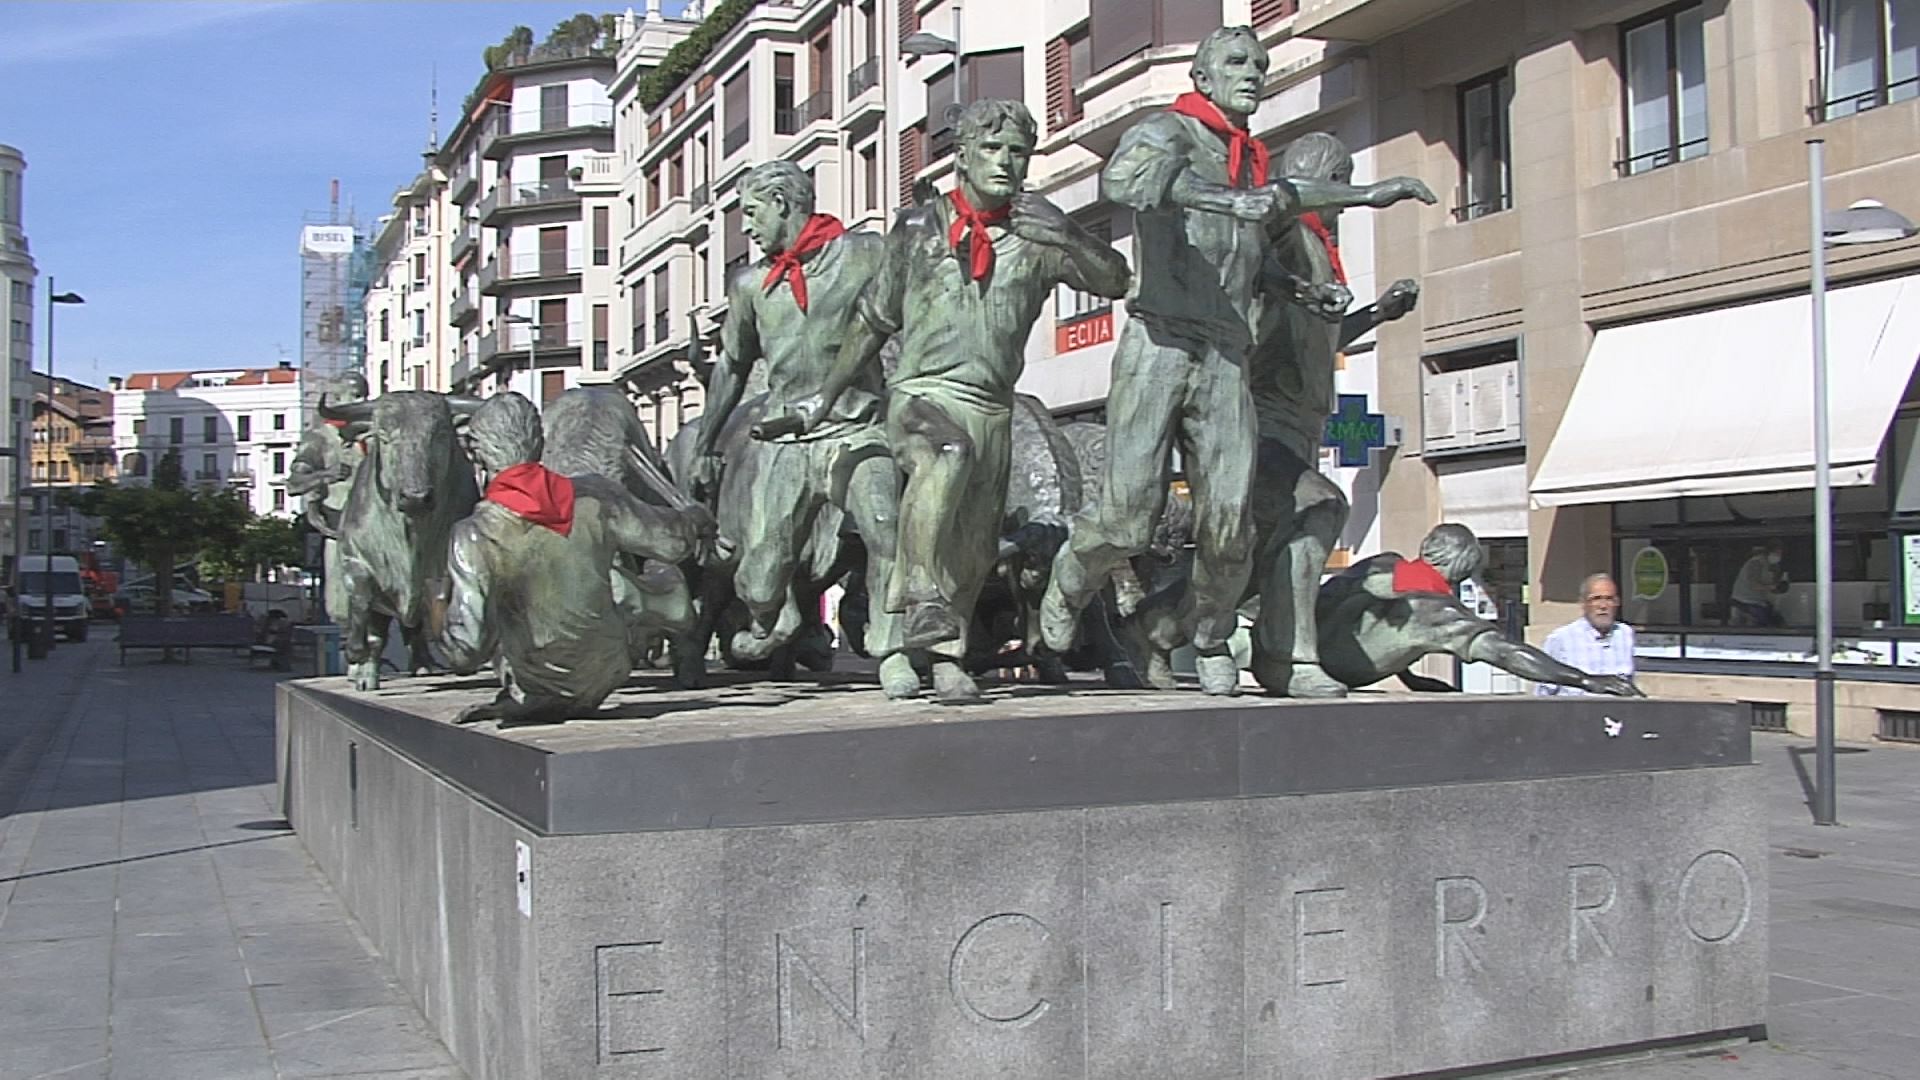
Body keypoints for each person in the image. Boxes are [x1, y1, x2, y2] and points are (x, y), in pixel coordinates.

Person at [1040, 23, 1436, 695]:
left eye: (1259, 63)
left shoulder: (1253, 158)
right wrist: (1226, 198)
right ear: (1202, 76)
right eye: (1236, 62)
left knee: (1229, 525)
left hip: (1225, 353)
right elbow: (1124, 180)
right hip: (1160, 341)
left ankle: (1213, 635)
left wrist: (1366, 197)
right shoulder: (1167, 132)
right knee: (1128, 516)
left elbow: (1282, 203)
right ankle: (1069, 581)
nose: (1253, 71)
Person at [760, 98, 1131, 702]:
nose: (1007, 162)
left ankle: (943, 652)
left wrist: (1068, 231)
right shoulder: (916, 230)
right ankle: (910, 619)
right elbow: (873, 322)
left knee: (974, 543)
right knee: (946, 455)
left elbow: (1115, 280)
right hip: (921, 396)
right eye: (993, 149)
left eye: (1018, 152)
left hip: (994, 405)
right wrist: (825, 400)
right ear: (961, 156)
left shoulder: (1039, 240)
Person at [688, 161, 917, 697]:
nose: (746, 227)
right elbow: (731, 366)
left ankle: (894, 652)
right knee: (762, 572)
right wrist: (705, 444)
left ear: (783, 203)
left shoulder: (863, 254)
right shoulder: (750, 285)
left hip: (858, 430)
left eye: (752, 212)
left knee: (885, 528)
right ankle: (772, 620)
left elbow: (914, 315)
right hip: (785, 438)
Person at [438, 393, 719, 726]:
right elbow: (672, 544)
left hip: (537, 681)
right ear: (540, 443)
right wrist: (694, 517)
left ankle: (532, 695)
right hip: (608, 670)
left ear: (478, 454)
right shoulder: (596, 495)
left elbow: (466, 651)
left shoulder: (473, 535)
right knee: (645, 572)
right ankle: (663, 600)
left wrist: (437, 619)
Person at [1315, 526, 1641, 697]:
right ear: (1461, 567)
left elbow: (1370, 621)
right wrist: (1583, 679)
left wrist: (1407, 674)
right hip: (1332, 672)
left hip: (1301, 651)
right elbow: (1504, 652)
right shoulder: (1434, 607)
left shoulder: (1384, 563)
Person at [1537, 572, 1639, 697]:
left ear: (1617, 602)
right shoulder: (1561, 639)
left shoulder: (1625, 634)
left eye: (1609, 599)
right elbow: (1544, 692)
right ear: (1583, 603)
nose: (1603, 606)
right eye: (1596, 599)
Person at [1728, 541, 1788, 627]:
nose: (1779, 556)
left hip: (1759, 601)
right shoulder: (1756, 563)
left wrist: (1779, 587)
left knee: (1777, 620)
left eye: (1780, 554)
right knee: (1762, 625)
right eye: (1777, 553)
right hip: (1744, 602)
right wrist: (1772, 587)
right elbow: (1754, 585)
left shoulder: (1772, 566)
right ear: (1769, 552)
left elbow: (1770, 584)